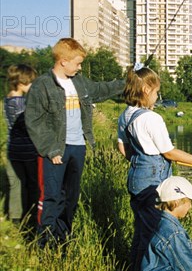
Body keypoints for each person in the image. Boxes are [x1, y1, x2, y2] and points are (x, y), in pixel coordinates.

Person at [117, 65, 192, 271]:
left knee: (142, 232)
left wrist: (142, 160)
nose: (158, 96)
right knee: (157, 234)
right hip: (152, 180)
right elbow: (169, 153)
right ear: (146, 89)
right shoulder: (152, 118)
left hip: (135, 177)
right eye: (157, 91)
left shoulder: (126, 115)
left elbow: (124, 150)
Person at [25, 38, 125, 247]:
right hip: (55, 150)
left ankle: (62, 241)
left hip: (78, 147)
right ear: (63, 61)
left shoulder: (79, 81)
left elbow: (100, 89)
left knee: (70, 198)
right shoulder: (42, 85)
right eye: (77, 63)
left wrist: (128, 81)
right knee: (52, 197)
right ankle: (45, 244)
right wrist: (50, 149)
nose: (80, 68)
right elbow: (34, 121)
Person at [4, 64, 38, 228]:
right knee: (32, 183)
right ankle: (31, 215)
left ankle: (15, 216)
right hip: (28, 150)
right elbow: (29, 126)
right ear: (21, 82)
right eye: (30, 82)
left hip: (13, 149)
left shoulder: (8, 99)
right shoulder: (21, 103)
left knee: (16, 184)